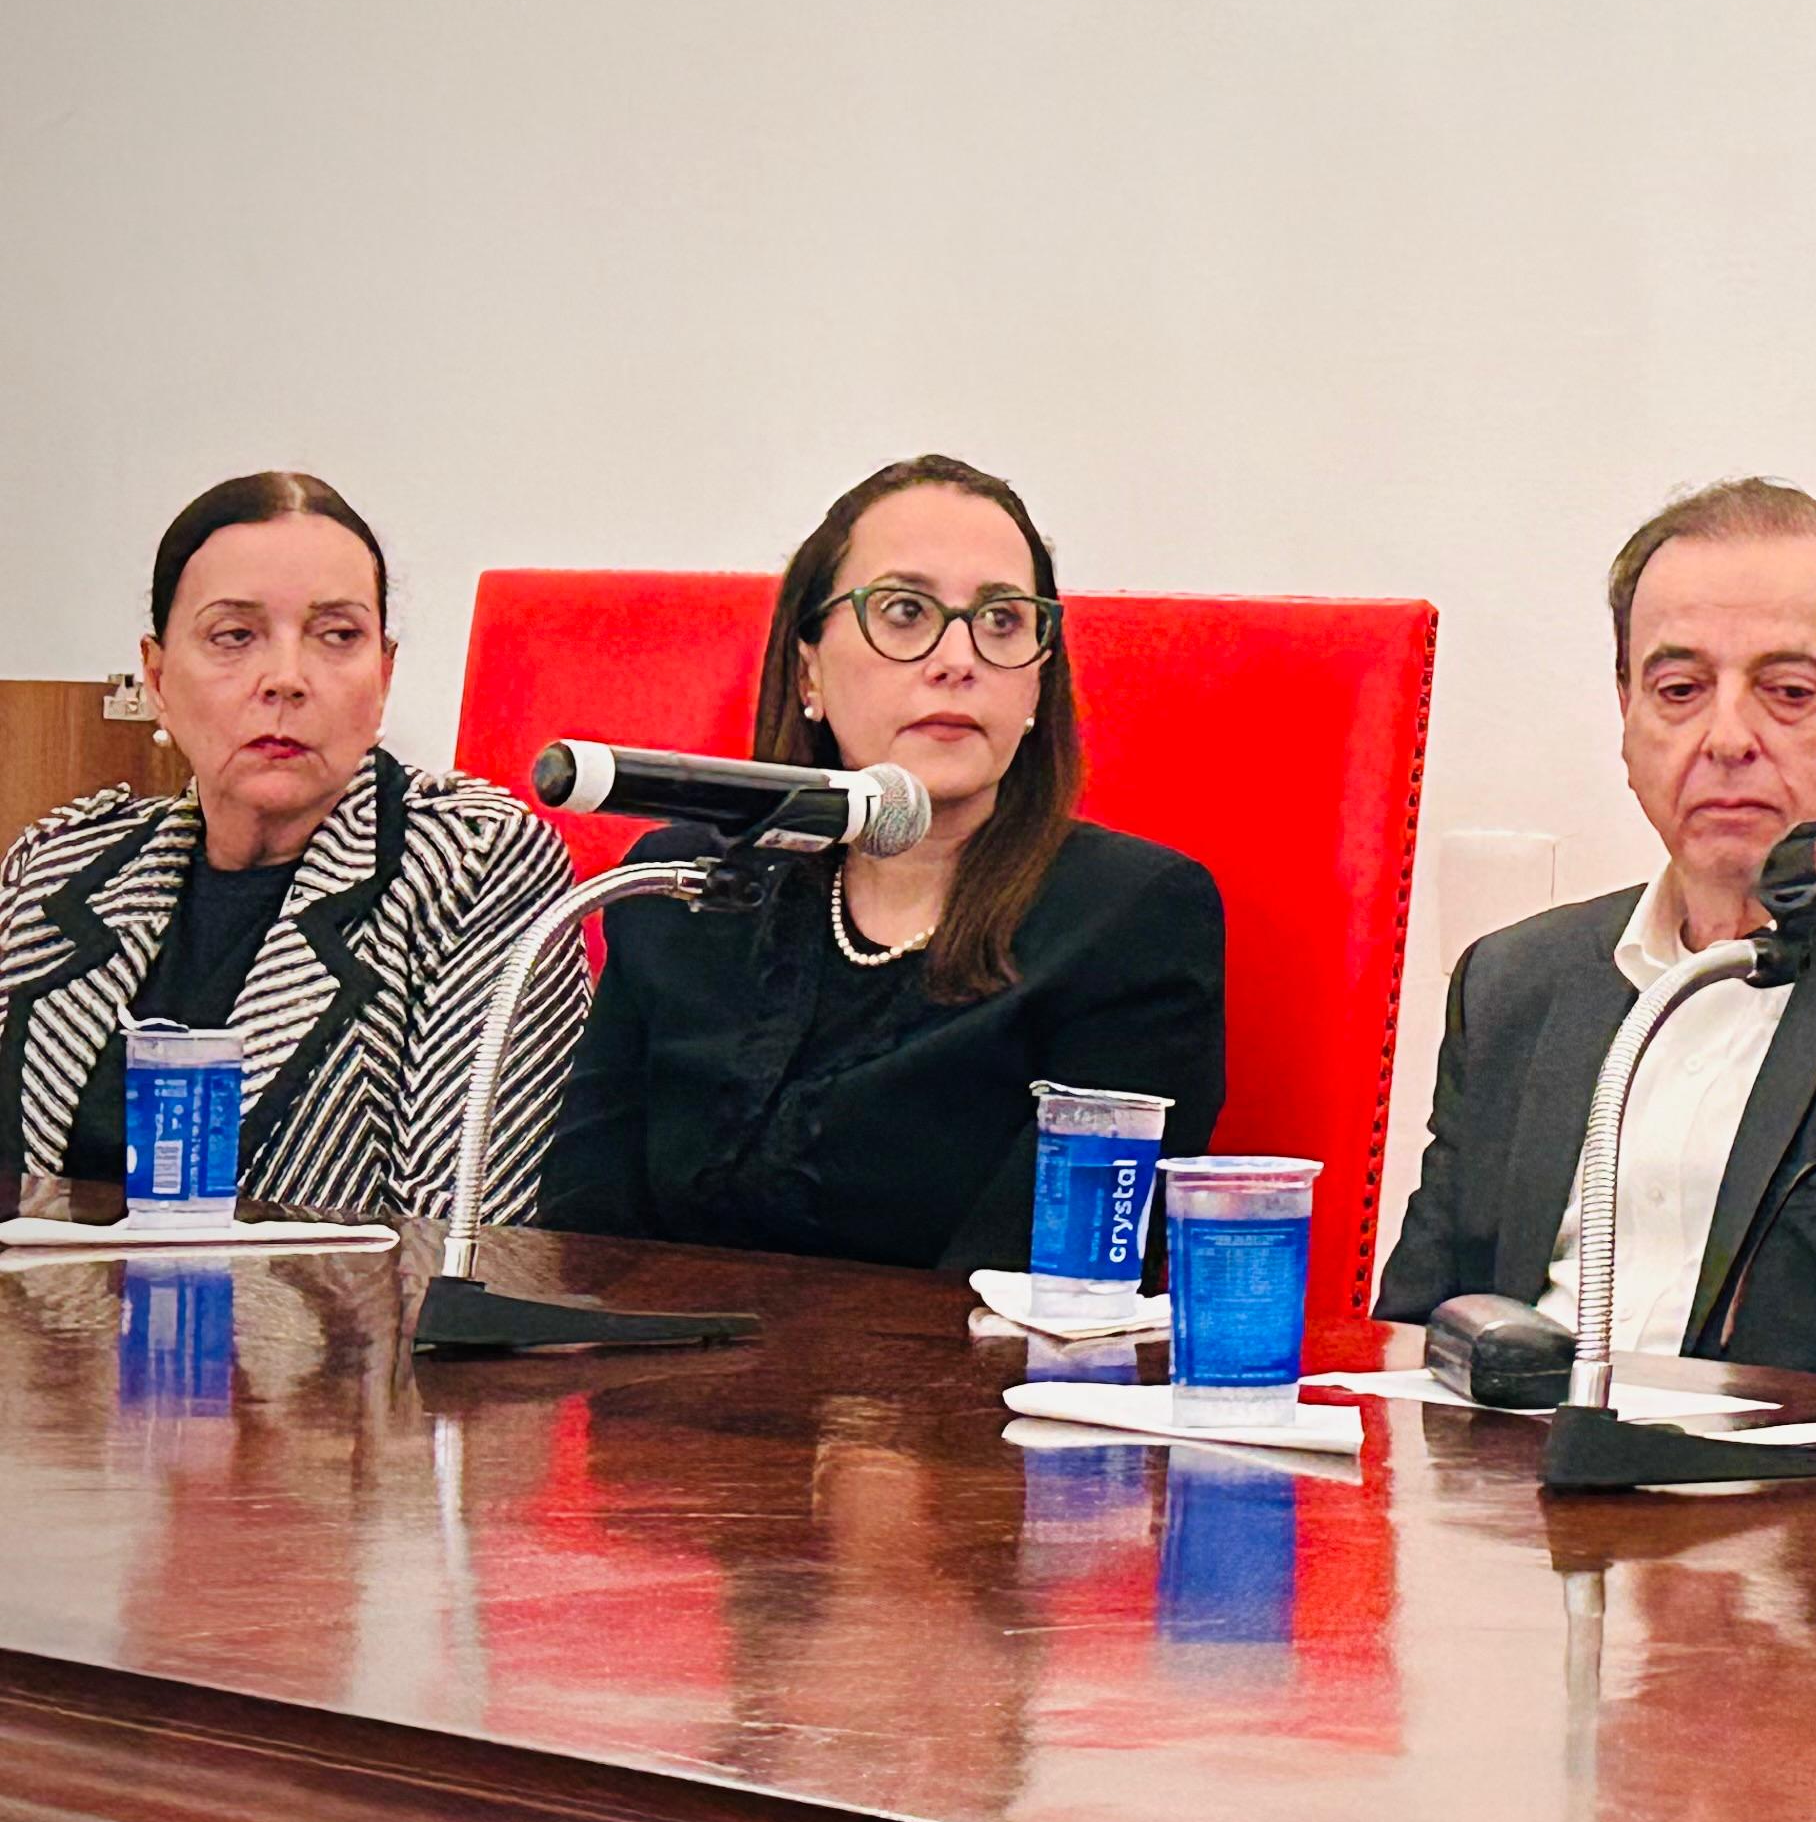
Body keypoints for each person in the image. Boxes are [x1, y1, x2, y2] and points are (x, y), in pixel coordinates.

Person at [1378, 478, 1816, 1383]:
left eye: (1788, 691)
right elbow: (1410, 1350)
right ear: (1626, 714)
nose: (1727, 738)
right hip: (1497, 1469)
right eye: (1680, 689)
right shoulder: (1513, 984)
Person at [538, 454, 1226, 1274]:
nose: (957, 659)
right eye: (904, 612)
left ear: (1038, 685)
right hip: (643, 1355)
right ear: (810, 670)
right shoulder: (682, 885)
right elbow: (582, 1240)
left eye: (1002, 620)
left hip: (958, 1362)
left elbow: (1046, 1289)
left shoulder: (1130, 918)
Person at [2, 472, 583, 1222]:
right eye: (234, 636)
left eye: (338, 636)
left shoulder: (473, 864)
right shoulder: (60, 865)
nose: (286, 679)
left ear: (384, 676)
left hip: (332, 1306)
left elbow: (460, 1235)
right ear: (157, 677)